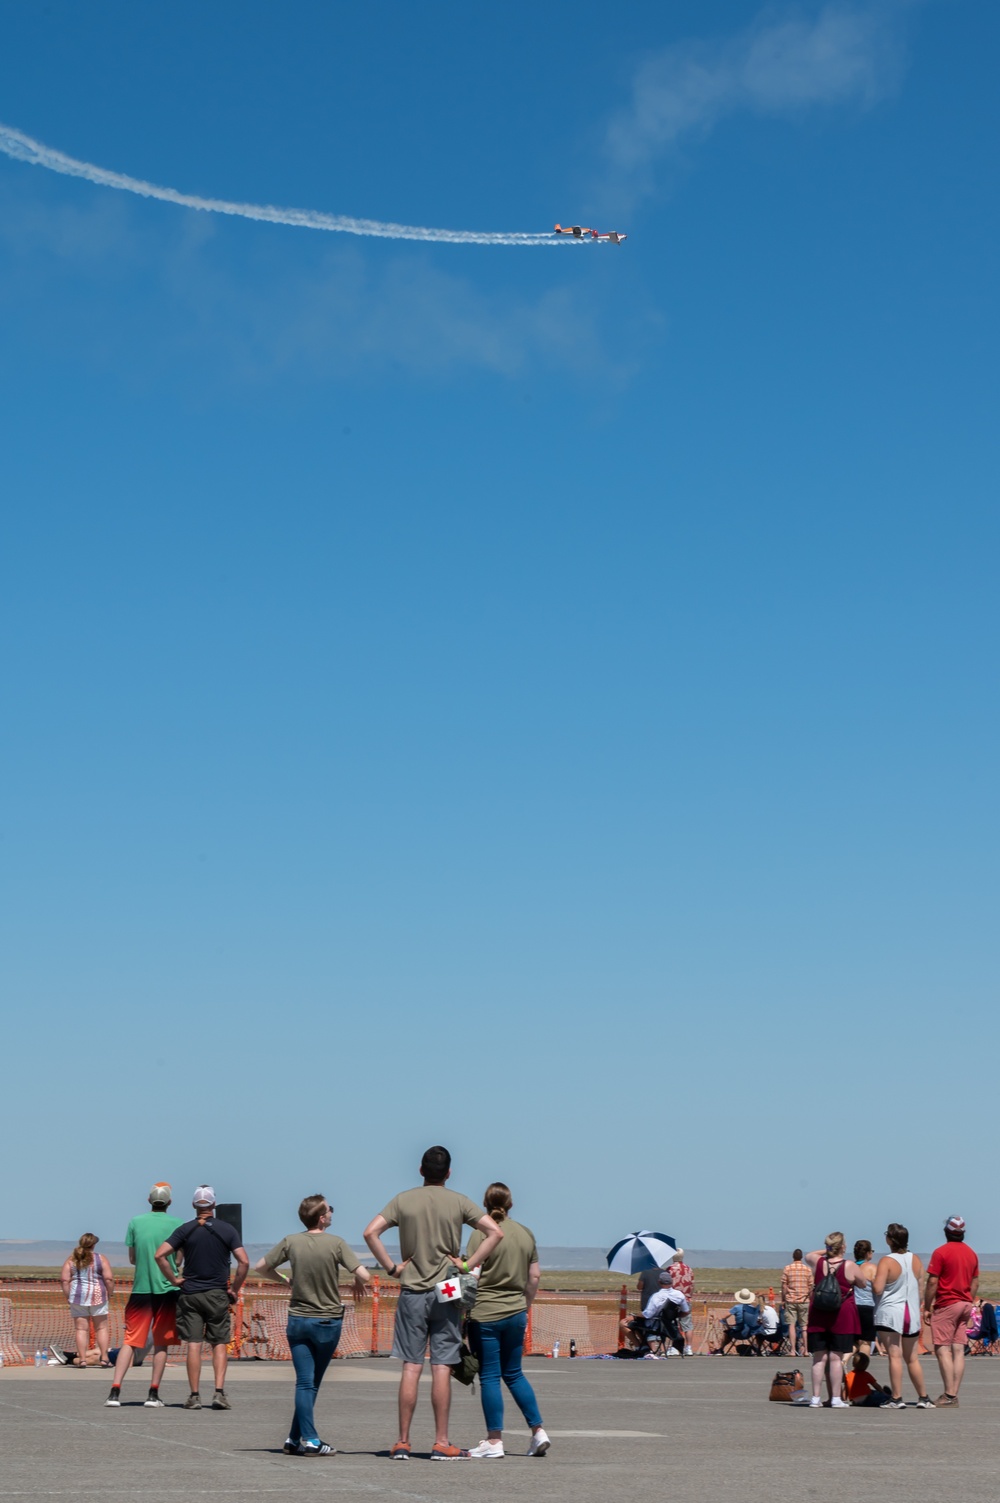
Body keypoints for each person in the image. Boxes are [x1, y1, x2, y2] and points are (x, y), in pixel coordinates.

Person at [363, 1146, 503, 1460]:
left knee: (411, 1366)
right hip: (448, 1288)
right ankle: (441, 1441)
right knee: (442, 1366)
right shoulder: (459, 1201)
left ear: (421, 1170)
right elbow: (495, 1233)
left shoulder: (403, 1200)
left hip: (412, 1288)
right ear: (449, 1173)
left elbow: (370, 1232)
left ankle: (402, 1441)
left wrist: (391, 1268)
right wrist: (467, 1265)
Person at [256, 1193, 371, 1456]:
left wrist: (285, 1279)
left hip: (298, 1319)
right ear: (322, 1218)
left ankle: (294, 1438)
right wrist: (357, 1283)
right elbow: (364, 1274)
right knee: (310, 1383)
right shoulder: (336, 1243)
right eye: (329, 1209)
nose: (332, 1212)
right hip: (327, 1321)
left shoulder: (291, 1241)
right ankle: (311, 1439)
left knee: (305, 1382)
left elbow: (261, 1266)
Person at [463, 1182, 549, 1459]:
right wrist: (524, 1305)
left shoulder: (480, 1234)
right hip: (515, 1312)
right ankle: (538, 1432)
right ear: (510, 1204)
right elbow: (534, 1276)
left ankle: (494, 1440)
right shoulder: (525, 1234)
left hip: (485, 1313)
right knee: (514, 1373)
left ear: (485, 1204)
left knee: (489, 1376)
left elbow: (471, 1275)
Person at [155, 1185, 249, 1411]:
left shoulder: (185, 1229)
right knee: (219, 1343)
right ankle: (218, 1392)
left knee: (194, 1344)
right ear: (214, 1205)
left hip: (191, 1294)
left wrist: (174, 1279)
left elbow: (160, 1254)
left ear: (193, 1205)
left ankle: (194, 1395)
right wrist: (234, 1289)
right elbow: (243, 1262)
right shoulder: (227, 1230)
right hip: (217, 1293)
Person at [106, 1182, 184, 1407]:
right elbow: (178, 1260)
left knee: (130, 1340)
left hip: (141, 1289)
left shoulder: (135, 1222)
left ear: (149, 1201)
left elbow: (132, 1258)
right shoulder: (178, 1224)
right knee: (161, 1343)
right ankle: (153, 1393)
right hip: (168, 1290)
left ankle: (115, 1391)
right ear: (169, 1202)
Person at [872, 1222, 933, 1409]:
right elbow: (921, 1286)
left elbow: (878, 1288)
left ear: (890, 1240)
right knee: (912, 1357)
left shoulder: (886, 1261)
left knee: (894, 1355)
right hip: (911, 1313)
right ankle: (924, 1397)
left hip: (891, 1313)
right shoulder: (915, 1259)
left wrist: (871, 1280)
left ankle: (897, 1398)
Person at [804, 1233, 866, 1407]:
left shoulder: (818, 1262)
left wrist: (828, 1251)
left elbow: (808, 1255)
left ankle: (815, 1398)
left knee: (818, 1358)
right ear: (843, 1247)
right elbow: (863, 1284)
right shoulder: (850, 1266)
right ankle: (836, 1398)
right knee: (836, 1358)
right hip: (842, 1315)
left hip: (818, 1314)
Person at [924, 1214, 979, 1407]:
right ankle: (953, 1393)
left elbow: (932, 1281)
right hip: (964, 1303)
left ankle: (949, 1394)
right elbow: (975, 1281)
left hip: (947, 1303)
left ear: (947, 1231)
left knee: (942, 1348)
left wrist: (927, 1305)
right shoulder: (971, 1253)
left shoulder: (941, 1253)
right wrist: (969, 1301)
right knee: (958, 1348)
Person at [61, 1233, 113, 1367]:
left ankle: (82, 1359)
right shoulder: (101, 1259)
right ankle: (104, 1358)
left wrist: (68, 1296)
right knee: (101, 1328)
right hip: (98, 1295)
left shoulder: (71, 1259)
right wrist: (110, 1293)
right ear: (93, 1244)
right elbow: (108, 1278)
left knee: (81, 1329)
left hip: (78, 1296)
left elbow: (65, 1280)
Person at [781, 1250, 811, 1358]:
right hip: (804, 1300)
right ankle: (806, 1350)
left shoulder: (787, 1269)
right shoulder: (807, 1269)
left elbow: (784, 1286)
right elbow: (811, 1286)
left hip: (791, 1300)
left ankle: (793, 1350)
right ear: (801, 1257)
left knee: (791, 1325)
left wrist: (783, 1299)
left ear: (793, 1257)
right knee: (804, 1326)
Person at [852, 1239, 879, 1360]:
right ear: (868, 1253)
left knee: (854, 1340)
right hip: (867, 1307)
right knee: (866, 1342)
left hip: (852, 1307)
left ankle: (844, 1360)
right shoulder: (872, 1268)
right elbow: (878, 1288)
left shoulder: (850, 1267)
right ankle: (861, 1371)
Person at [715, 1289, 761, 1353]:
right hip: (750, 1333)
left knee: (727, 1333)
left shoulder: (737, 1307)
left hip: (739, 1332)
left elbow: (724, 1317)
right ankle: (757, 1348)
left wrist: (722, 1320)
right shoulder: (753, 1308)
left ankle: (721, 1349)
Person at [669, 1249, 695, 1355]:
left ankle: (675, 1347)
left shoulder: (669, 1269)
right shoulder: (689, 1269)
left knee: (673, 1324)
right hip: (686, 1299)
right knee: (687, 1325)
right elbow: (692, 1285)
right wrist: (689, 1295)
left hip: (672, 1301)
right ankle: (688, 1348)